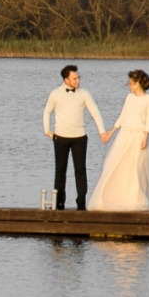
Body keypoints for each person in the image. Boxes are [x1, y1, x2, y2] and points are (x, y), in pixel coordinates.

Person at [89, 69, 149, 211]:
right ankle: (112, 198)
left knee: (134, 168)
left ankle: (134, 199)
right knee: (114, 165)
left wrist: (145, 137)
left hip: (138, 135)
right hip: (124, 134)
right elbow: (122, 116)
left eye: (132, 83)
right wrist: (111, 132)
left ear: (139, 83)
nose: (129, 86)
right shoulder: (129, 98)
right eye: (129, 83)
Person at [42, 65, 105, 210]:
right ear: (66, 79)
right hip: (61, 137)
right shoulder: (55, 94)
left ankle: (81, 203)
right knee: (60, 171)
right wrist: (47, 130)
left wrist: (101, 131)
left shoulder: (84, 93)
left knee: (80, 170)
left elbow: (95, 112)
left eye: (78, 77)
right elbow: (47, 112)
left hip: (79, 138)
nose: (78, 80)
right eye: (74, 78)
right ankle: (59, 203)